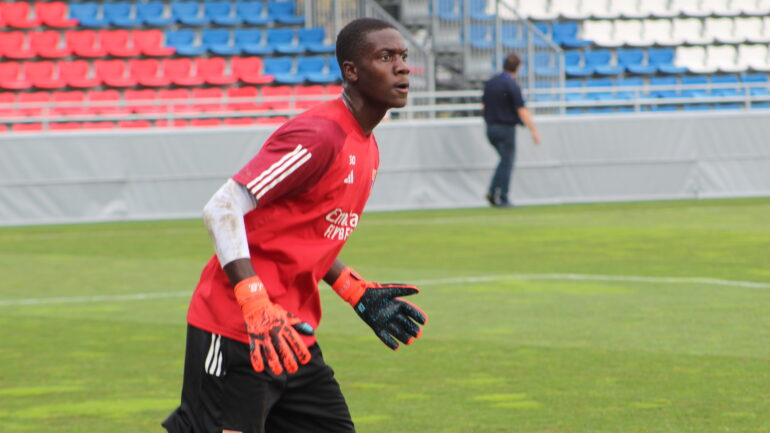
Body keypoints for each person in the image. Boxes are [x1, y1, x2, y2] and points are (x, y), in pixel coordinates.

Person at [162, 17, 428, 433]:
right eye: (386, 56)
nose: (402, 67)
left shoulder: (368, 148)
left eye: (403, 56)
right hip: (235, 330)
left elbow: (305, 236)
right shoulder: (319, 134)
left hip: (291, 337)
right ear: (351, 71)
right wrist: (253, 301)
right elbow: (221, 208)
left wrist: (352, 288)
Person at [482, 53, 541, 208]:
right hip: (505, 128)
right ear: (518, 68)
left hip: (490, 128)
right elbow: (522, 110)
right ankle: (502, 196)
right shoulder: (511, 85)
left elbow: (483, 106)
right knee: (507, 162)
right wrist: (533, 131)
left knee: (503, 161)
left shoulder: (491, 82)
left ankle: (493, 191)